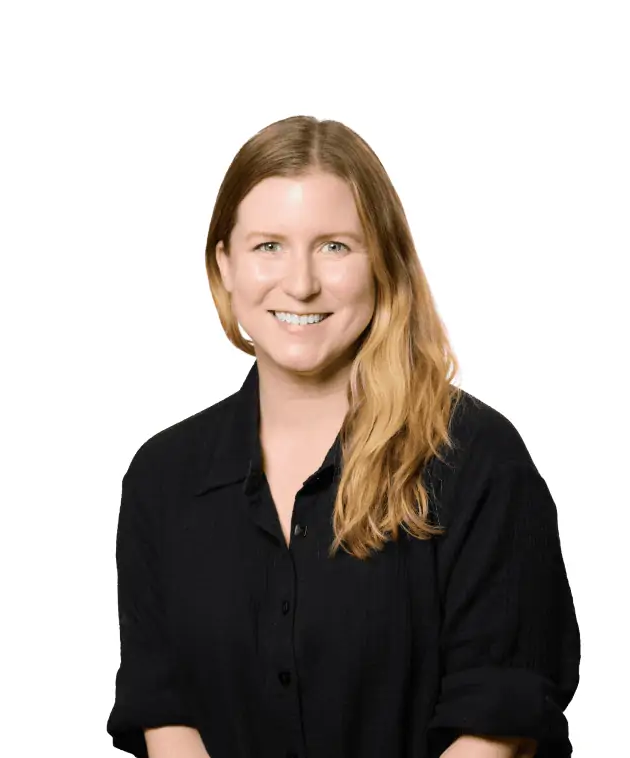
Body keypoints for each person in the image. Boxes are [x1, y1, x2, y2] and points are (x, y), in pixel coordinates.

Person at [106, 115, 580, 758]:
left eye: (334, 246)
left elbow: (498, 720)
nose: (300, 283)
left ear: (383, 260)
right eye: (268, 245)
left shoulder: (476, 459)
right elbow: (163, 708)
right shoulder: (163, 478)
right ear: (225, 265)